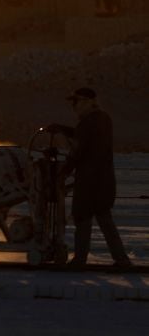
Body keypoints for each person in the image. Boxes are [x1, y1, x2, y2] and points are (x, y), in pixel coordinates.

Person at [48, 87, 132, 268]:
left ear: (87, 102)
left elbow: (77, 151)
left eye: (76, 102)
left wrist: (62, 174)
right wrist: (62, 129)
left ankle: (80, 260)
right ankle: (121, 259)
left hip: (89, 181)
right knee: (104, 219)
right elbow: (84, 137)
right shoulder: (102, 119)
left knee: (82, 219)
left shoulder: (87, 123)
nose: (74, 106)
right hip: (104, 180)